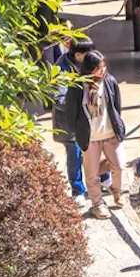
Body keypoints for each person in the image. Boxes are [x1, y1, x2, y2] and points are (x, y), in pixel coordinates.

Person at [65, 51, 126, 220]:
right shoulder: (78, 86)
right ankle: (97, 204)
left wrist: (117, 124)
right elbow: (71, 112)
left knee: (119, 165)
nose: (102, 70)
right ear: (89, 68)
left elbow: (116, 106)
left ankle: (117, 191)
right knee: (91, 174)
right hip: (90, 136)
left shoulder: (109, 81)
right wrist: (78, 130)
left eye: (104, 66)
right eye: (98, 67)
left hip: (110, 132)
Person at [54, 38, 101, 197]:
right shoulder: (61, 69)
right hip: (71, 121)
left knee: (96, 151)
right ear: (78, 55)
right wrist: (79, 106)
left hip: (91, 118)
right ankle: (78, 190)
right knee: (75, 155)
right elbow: (59, 98)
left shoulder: (92, 62)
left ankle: (103, 179)